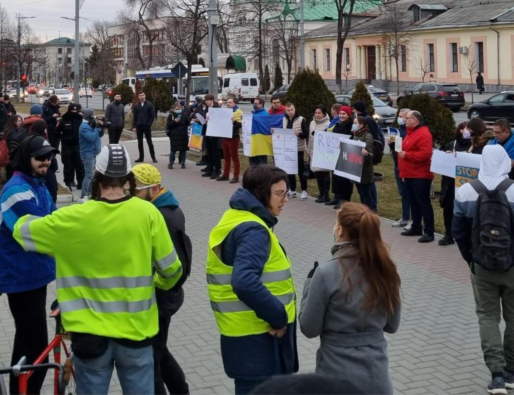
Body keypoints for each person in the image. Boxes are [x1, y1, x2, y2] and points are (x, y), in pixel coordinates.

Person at [12, 145, 183, 394]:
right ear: (128, 179)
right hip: (136, 333)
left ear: (96, 176)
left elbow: (21, 231)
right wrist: (157, 286)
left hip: (89, 337)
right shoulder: (148, 213)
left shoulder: (73, 217)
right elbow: (172, 271)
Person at [453, 145, 514, 395]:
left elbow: (458, 231)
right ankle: (510, 371)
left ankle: (495, 375)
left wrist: (470, 259)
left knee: (487, 318)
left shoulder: (466, 191)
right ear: (506, 163)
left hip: (481, 266)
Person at [207, 164, 297, 394]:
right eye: (279, 193)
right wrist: (278, 317)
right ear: (260, 193)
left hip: (242, 338)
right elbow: (244, 281)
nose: (285, 199)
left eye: (286, 193)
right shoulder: (253, 230)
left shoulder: (235, 217)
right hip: (259, 341)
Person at [298, 203, 401, 395]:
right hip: (377, 379)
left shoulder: (325, 273)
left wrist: (308, 286)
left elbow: (309, 328)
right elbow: (392, 325)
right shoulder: (387, 269)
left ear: (340, 230)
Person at [0, 135, 57, 395]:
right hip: (22, 276)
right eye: (40, 157)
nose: (46, 161)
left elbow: (54, 215)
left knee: (25, 345)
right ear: (26, 159)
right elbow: (49, 227)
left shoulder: (37, 184)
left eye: (49, 156)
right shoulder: (18, 191)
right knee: (36, 350)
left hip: (35, 274)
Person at [132, 164, 192, 395]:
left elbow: (173, 267)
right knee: (160, 353)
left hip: (159, 299)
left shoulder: (161, 216)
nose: (131, 195)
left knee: (150, 362)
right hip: (163, 297)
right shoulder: (166, 209)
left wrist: (151, 288)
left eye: (136, 190)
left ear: (154, 188)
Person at [398, 110, 434, 241]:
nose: (404, 120)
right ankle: (416, 226)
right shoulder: (410, 133)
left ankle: (429, 232)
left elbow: (425, 154)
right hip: (409, 173)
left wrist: (408, 155)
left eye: (407, 118)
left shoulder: (423, 133)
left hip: (420, 174)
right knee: (413, 202)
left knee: (423, 203)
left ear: (415, 120)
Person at [437, 119, 473, 246]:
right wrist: (446, 156)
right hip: (450, 182)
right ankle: (448, 234)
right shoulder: (451, 144)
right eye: (464, 128)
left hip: (466, 181)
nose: (466, 131)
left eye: (469, 129)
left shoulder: (473, 145)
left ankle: (465, 235)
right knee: (448, 209)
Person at [388, 109, 411, 228]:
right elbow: (396, 149)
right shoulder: (398, 130)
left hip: (408, 165)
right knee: (403, 193)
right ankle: (405, 217)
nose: (401, 119)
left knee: (410, 193)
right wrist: (391, 144)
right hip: (398, 164)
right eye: (400, 116)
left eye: (403, 117)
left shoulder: (409, 131)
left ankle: (412, 219)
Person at [329, 106, 355, 208]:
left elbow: (352, 139)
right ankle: (337, 197)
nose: (341, 116)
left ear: (348, 115)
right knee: (336, 176)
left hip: (347, 154)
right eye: (340, 114)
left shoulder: (351, 126)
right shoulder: (337, 125)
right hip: (337, 154)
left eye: (344, 114)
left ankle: (345, 199)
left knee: (345, 178)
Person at [351, 114, 377, 211]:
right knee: (361, 192)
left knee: (366, 193)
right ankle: (363, 210)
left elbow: (371, 154)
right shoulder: (356, 135)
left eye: (355, 123)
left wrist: (367, 154)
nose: (353, 125)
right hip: (357, 168)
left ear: (361, 125)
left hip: (365, 170)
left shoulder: (367, 136)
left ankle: (369, 211)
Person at [58, 103, 86, 192]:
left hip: (78, 145)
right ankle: (68, 182)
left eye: (76, 110)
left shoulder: (81, 120)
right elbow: (57, 132)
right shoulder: (63, 120)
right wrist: (63, 138)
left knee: (80, 165)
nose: (74, 112)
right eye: (72, 110)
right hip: (66, 146)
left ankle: (81, 183)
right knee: (68, 165)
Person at [308, 105, 332, 204]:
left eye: (319, 113)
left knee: (324, 174)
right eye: (316, 112)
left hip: (324, 153)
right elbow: (309, 138)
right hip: (314, 151)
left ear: (324, 113)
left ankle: (326, 195)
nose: (317, 115)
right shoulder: (312, 123)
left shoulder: (328, 124)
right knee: (317, 174)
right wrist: (308, 149)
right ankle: (321, 193)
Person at [283, 102, 308, 199]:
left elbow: (306, 134)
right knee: (290, 170)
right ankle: (292, 189)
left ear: (295, 109)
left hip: (298, 148)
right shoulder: (284, 119)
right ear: (285, 110)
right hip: (288, 148)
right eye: (288, 110)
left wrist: (299, 134)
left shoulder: (301, 119)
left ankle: (304, 190)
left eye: (292, 110)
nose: (290, 112)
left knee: (300, 171)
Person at [79, 110, 104, 200]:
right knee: (89, 174)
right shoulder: (84, 126)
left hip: (95, 152)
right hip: (88, 153)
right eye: (93, 115)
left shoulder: (90, 124)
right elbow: (91, 137)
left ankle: (90, 192)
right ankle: (84, 195)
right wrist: (97, 128)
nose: (94, 116)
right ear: (89, 116)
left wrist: (101, 127)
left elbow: (98, 135)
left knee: (94, 175)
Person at [219, 97, 244, 184]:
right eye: (227, 102)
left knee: (234, 157)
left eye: (230, 102)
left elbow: (239, 126)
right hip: (225, 136)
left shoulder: (238, 112)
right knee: (226, 157)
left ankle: (236, 176)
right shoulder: (226, 111)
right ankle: (225, 175)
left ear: (235, 103)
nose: (228, 104)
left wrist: (233, 121)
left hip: (233, 137)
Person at [132, 91, 159, 163]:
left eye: (143, 95)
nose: (141, 96)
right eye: (140, 95)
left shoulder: (149, 105)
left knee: (149, 142)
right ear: (138, 97)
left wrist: (148, 124)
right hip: (139, 126)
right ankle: (141, 157)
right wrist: (134, 126)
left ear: (145, 96)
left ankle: (153, 157)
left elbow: (152, 116)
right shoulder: (136, 105)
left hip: (146, 127)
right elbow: (135, 117)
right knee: (140, 143)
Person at [201, 94, 222, 180]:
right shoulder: (207, 108)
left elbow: (219, 119)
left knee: (215, 152)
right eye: (205, 100)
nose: (206, 102)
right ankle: (210, 168)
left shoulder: (217, 108)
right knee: (209, 151)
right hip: (208, 132)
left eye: (208, 100)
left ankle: (217, 170)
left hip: (215, 133)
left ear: (212, 100)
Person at [166, 100, 190, 169]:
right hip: (175, 135)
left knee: (183, 150)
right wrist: (174, 121)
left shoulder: (184, 114)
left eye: (179, 107)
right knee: (173, 150)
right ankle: (171, 163)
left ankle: (182, 163)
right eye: (177, 107)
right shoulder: (171, 115)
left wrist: (190, 120)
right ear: (174, 107)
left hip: (183, 135)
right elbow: (168, 125)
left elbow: (187, 123)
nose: (178, 108)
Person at [250, 98, 270, 166]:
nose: (254, 105)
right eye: (254, 103)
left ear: (261, 104)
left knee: (262, 164)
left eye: (256, 103)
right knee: (253, 164)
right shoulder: (254, 114)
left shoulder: (265, 115)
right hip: (254, 142)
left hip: (261, 144)